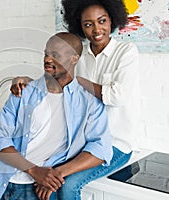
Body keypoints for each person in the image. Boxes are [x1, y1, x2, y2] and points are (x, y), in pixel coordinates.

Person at [10, 0, 141, 199]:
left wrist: (78, 81)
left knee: (68, 185)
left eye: (102, 21)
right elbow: (57, 82)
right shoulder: (78, 55)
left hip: (116, 144)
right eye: (88, 24)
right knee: (47, 177)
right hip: (81, 142)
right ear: (80, 27)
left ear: (112, 20)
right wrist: (27, 81)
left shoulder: (126, 52)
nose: (97, 29)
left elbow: (116, 96)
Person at [0, 32, 113, 200]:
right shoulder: (23, 91)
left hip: (37, 190)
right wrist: (34, 171)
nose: (47, 59)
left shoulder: (89, 101)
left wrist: (56, 173)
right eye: (46, 53)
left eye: (55, 55)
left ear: (74, 59)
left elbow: (101, 148)